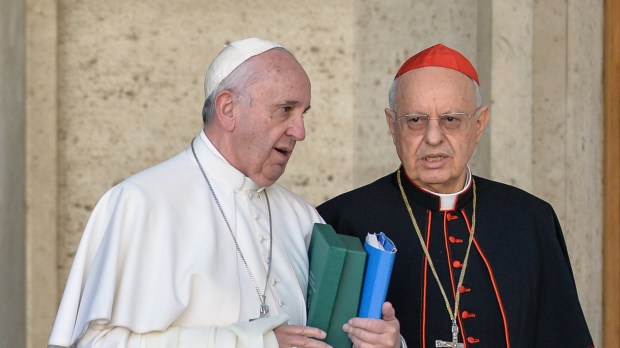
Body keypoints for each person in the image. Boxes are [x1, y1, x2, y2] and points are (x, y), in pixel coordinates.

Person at [48, 38, 333, 348]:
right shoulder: (141, 203)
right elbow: (97, 342)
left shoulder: (302, 217)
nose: (299, 132)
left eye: (303, 113)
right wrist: (252, 343)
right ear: (228, 109)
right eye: (285, 110)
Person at [317, 44, 594, 347]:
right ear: (392, 125)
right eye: (415, 120)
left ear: (479, 124)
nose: (433, 137)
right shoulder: (341, 222)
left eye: (451, 120)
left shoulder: (530, 221)